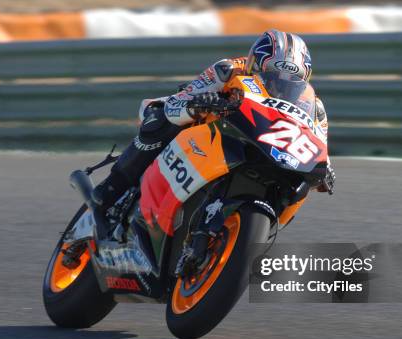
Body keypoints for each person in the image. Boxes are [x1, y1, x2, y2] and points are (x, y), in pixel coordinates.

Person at [91, 29, 335, 234]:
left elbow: (317, 140)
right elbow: (179, 101)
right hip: (204, 132)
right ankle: (111, 189)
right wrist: (198, 104)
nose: (279, 82)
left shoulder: (313, 106)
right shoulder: (228, 70)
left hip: (261, 147)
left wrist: (325, 168)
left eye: (289, 79)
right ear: (254, 65)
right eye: (272, 75)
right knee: (158, 117)